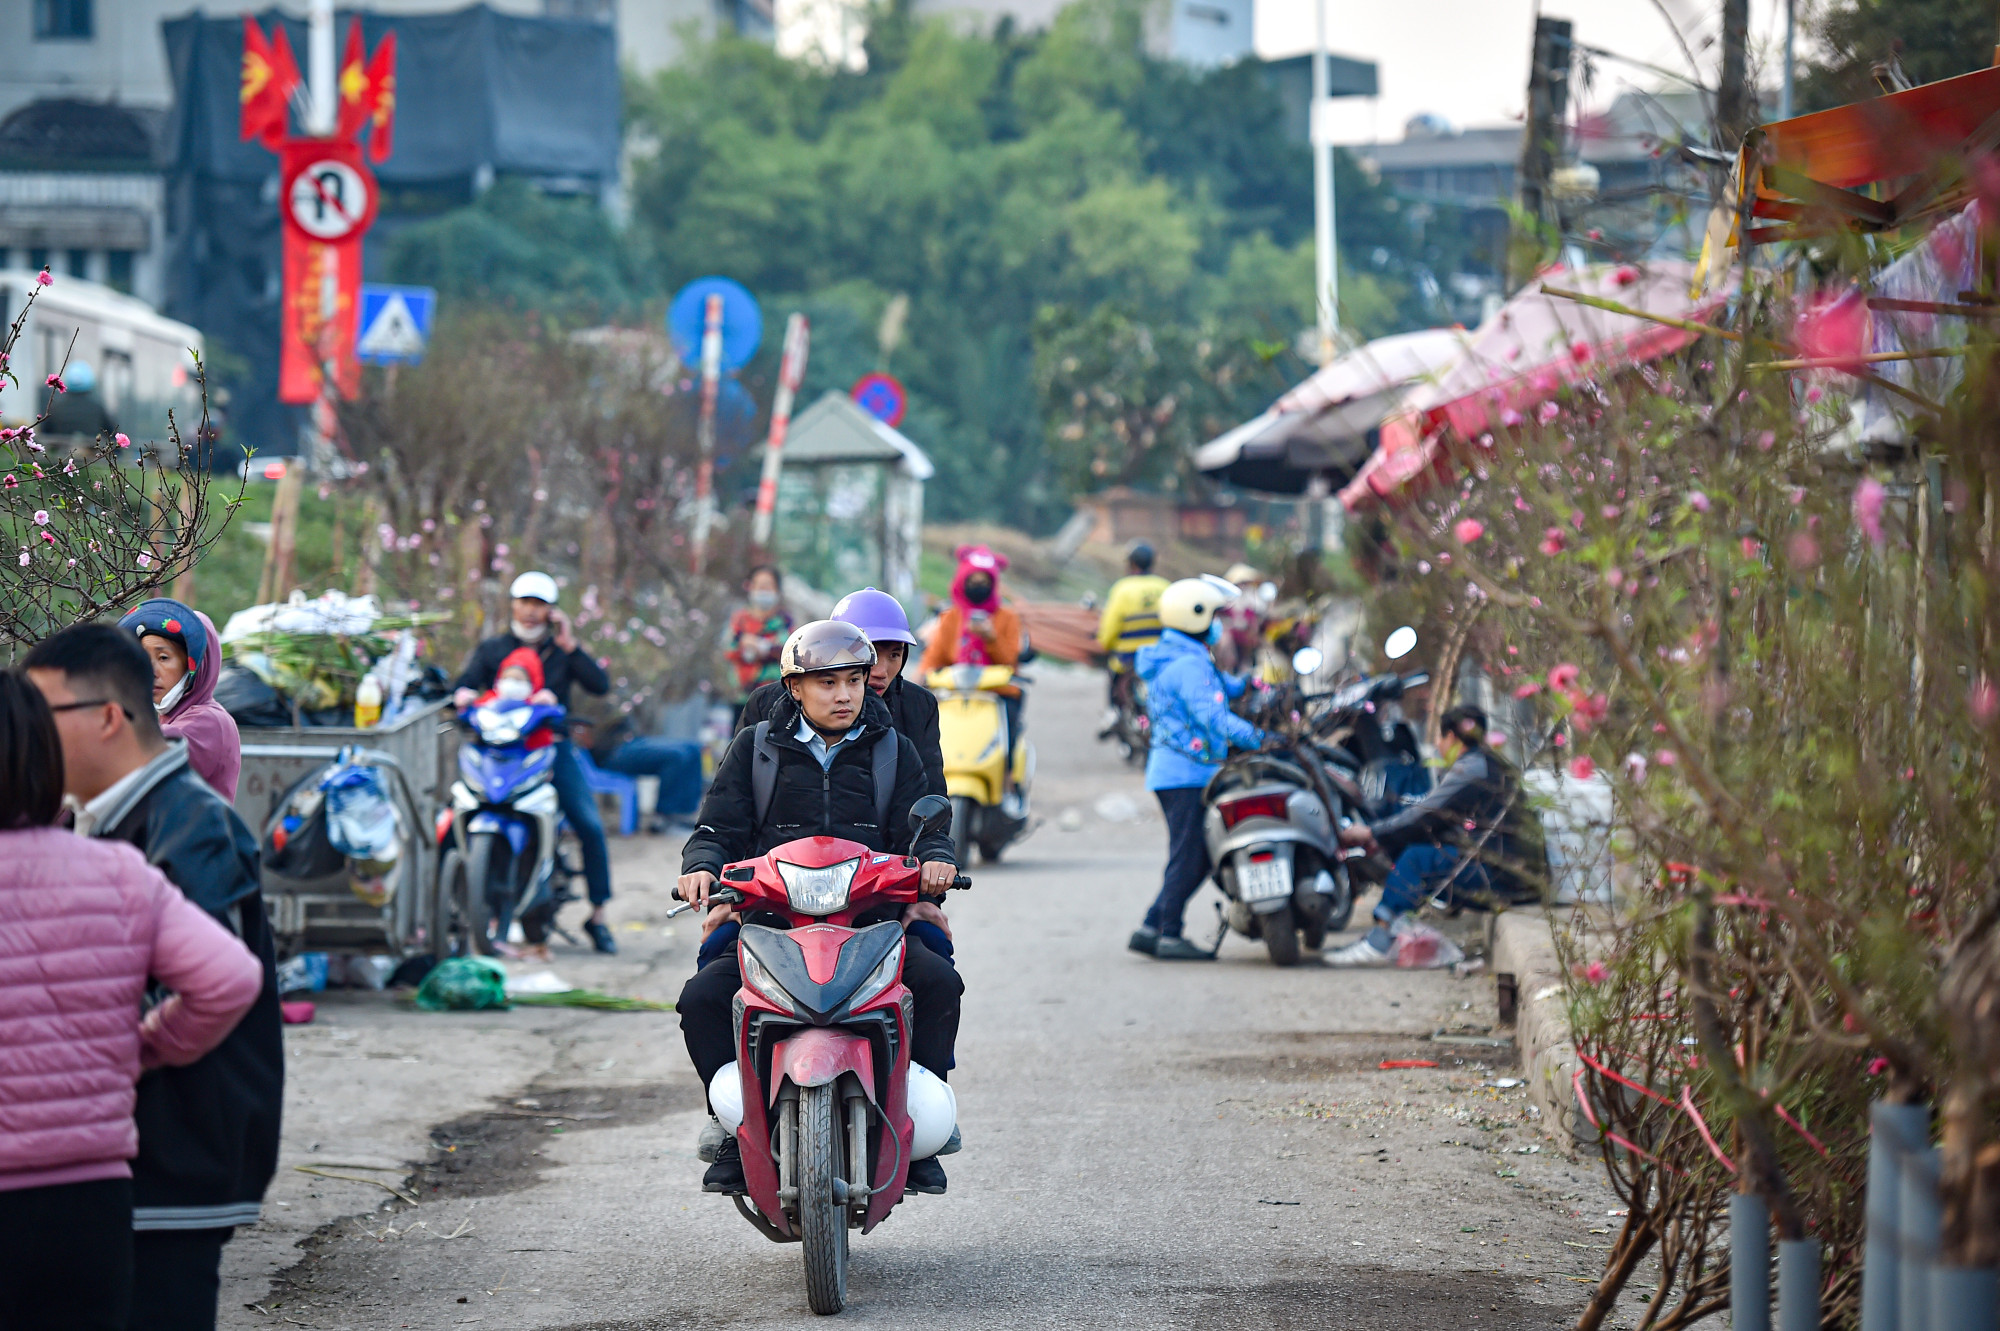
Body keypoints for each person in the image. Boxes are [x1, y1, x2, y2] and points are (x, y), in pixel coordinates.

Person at [24, 624, 284, 1331]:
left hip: (176, 1146)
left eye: (39, 716)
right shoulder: (114, 818)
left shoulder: (186, 821)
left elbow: (213, 987)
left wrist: (123, 1051)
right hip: (141, 1149)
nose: (26, 737)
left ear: (107, 718)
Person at [676, 621, 962, 1195]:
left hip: (869, 923)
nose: (845, 695)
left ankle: (917, 1130)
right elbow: (717, 824)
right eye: (828, 683)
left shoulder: (892, 749)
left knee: (937, 984)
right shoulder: (755, 748)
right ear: (794, 688)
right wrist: (702, 867)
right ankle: (734, 1128)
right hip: (772, 924)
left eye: (854, 681)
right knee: (702, 998)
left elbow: (925, 823)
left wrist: (934, 856)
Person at [452, 572, 618, 954]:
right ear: (512, 604)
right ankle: (459, 902)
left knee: (589, 825)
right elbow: (465, 684)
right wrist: (460, 696)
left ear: (551, 611)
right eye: (524, 602)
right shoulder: (494, 649)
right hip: (501, 751)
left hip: (551, 749)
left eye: (539, 604)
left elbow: (600, 685)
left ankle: (598, 914)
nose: (530, 611)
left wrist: (571, 644)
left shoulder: (561, 651)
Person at [1327, 703, 1545, 967]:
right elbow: (1439, 822)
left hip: (1506, 879)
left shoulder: (1472, 768)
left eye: (1440, 739)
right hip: (1516, 874)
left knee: (1415, 860)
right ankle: (1394, 933)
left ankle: (1378, 943)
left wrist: (1372, 832)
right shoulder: (1491, 763)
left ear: (1451, 737)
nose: (1439, 746)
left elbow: (1425, 815)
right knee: (1420, 851)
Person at [1127, 578, 1265, 961]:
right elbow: (1212, 717)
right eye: (1216, 615)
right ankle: (1169, 932)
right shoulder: (1187, 664)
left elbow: (1220, 688)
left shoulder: (1182, 655)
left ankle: (1152, 925)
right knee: (1191, 856)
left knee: (1190, 854)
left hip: (1180, 772)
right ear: (1198, 616)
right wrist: (1261, 738)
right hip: (1186, 775)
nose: (1221, 624)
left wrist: (1252, 685)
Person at [740, 586, 944, 797]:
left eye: (894, 655)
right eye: (870, 652)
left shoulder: (918, 705)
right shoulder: (767, 704)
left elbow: (931, 799)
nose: (882, 671)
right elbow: (733, 796)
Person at [118, 599, 242, 802]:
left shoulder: (207, 721)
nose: (150, 671)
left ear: (195, 665)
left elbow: (135, 760)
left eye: (163, 658)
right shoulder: (169, 718)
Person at [918, 545, 1025, 777]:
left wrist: (991, 639)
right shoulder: (951, 617)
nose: (978, 585)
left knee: (1011, 725)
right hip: (956, 692)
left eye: (984, 580)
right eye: (973, 579)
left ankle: (1008, 780)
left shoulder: (1007, 618)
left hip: (997, 693)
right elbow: (934, 657)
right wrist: (920, 681)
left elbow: (1011, 663)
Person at [569, 713, 705, 834]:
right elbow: (588, 734)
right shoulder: (587, 700)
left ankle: (686, 813)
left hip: (629, 740)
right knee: (676, 757)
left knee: (693, 748)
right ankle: (664, 817)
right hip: (611, 752)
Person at [1096, 541, 1169, 707]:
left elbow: (1110, 627)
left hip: (1127, 658)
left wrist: (1105, 643)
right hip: (1159, 654)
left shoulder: (1122, 588)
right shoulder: (1164, 586)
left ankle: (1113, 712)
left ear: (1132, 563)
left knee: (1113, 679)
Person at [723, 564, 792, 720]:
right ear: (750, 587)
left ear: (777, 590)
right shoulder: (739, 620)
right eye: (759, 586)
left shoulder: (785, 622)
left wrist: (766, 647)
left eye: (767, 586)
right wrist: (743, 646)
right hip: (742, 697)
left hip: (775, 697)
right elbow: (729, 650)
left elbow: (792, 652)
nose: (763, 590)